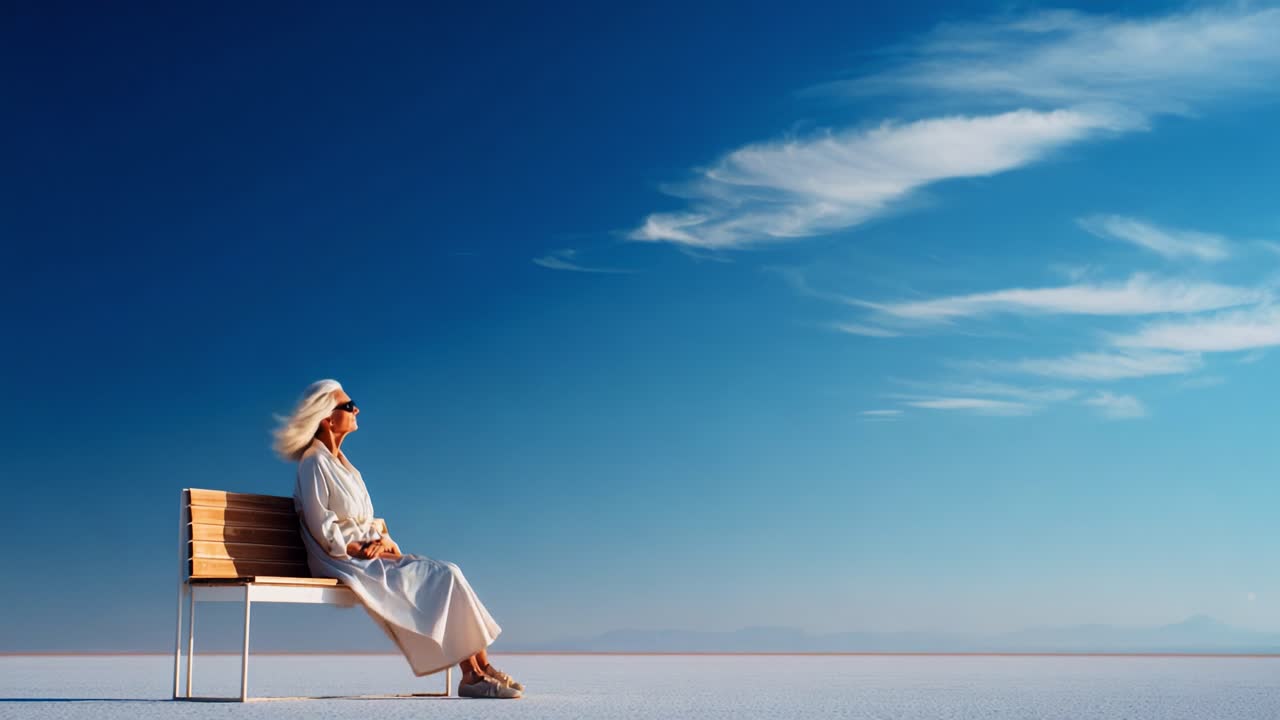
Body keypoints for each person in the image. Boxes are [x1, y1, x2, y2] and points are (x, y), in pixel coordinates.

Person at [273, 379, 523, 699]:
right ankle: (470, 675)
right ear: (327, 417)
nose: (356, 409)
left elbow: (365, 520)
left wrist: (379, 539)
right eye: (349, 406)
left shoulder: (345, 467)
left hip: (365, 552)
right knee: (444, 574)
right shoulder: (314, 463)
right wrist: (357, 546)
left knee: (449, 571)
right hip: (340, 558)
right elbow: (322, 525)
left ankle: (481, 669)